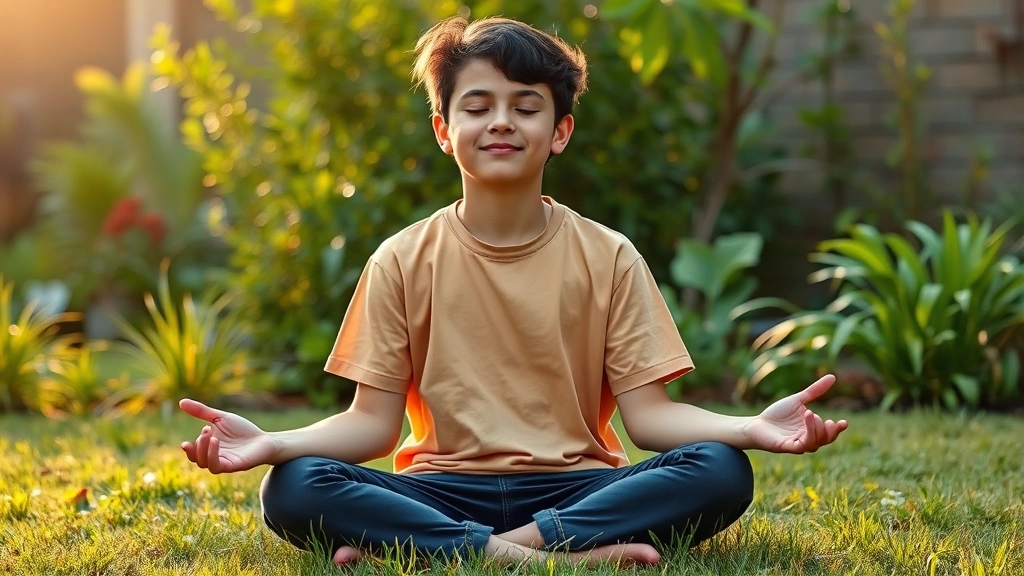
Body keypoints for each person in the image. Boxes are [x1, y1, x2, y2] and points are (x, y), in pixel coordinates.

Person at [179, 15, 848, 568]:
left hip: (578, 485)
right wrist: (274, 442)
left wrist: (750, 429)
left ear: (559, 132)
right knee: (293, 486)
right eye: (478, 106)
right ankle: (552, 557)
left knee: (721, 470)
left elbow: (650, 421)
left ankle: (458, 552)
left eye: (525, 106)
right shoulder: (402, 260)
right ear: (445, 131)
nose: (501, 121)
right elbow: (371, 426)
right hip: (439, 489)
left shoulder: (608, 256)